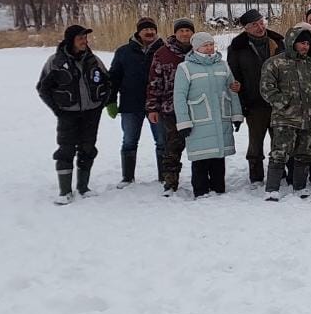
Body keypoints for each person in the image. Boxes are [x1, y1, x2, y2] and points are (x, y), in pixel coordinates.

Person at [37, 24, 113, 204]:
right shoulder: (55, 62)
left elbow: (108, 82)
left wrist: (100, 105)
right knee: (66, 150)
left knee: (88, 149)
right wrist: (57, 110)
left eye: (85, 38)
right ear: (70, 40)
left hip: (91, 113)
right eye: (80, 38)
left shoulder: (94, 60)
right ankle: (65, 191)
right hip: (67, 114)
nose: (84, 41)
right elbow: (43, 88)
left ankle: (83, 187)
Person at [259, 26, 311, 201]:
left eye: (307, 43)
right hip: (284, 118)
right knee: (280, 153)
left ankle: (299, 187)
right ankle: (272, 189)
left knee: (305, 153)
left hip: (309, 118)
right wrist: (285, 103)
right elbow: (266, 88)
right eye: (301, 43)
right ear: (292, 42)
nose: (305, 47)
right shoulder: (275, 63)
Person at [173, 33, 242, 198]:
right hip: (198, 120)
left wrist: (236, 115)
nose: (209, 48)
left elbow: (232, 91)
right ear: (196, 48)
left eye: (211, 44)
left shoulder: (223, 65)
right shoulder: (185, 68)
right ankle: (201, 190)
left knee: (218, 156)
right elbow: (179, 97)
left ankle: (219, 188)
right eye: (205, 45)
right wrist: (183, 122)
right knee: (201, 158)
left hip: (221, 117)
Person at [227, 8, 285, 186]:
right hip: (254, 103)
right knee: (255, 142)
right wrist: (242, 101)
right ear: (246, 28)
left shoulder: (278, 41)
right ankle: (256, 175)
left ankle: (279, 173)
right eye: (254, 25)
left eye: (261, 22)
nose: (260, 27)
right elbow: (233, 76)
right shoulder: (237, 47)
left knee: (280, 140)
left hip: (278, 102)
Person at [107, 16, 165, 186]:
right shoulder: (124, 52)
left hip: (157, 105)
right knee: (129, 140)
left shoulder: (163, 50)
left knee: (162, 141)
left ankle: (164, 176)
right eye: (145, 29)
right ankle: (127, 177)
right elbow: (114, 77)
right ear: (139, 32)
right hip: (130, 104)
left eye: (152, 29)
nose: (150, 32)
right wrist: (110, 100)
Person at [147, 17, 196, 196]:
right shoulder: (162, 53)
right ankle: (170, 181)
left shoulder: (200, 51)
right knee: (172, 147)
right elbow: (154, 82)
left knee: (199, 145)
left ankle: (202, 180)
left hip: (197, 109)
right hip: (171, 109)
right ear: (175, 33)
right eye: (181, 31)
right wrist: (152, 107)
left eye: (188, 31)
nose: (185, 34)